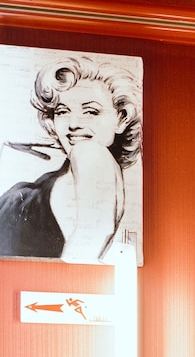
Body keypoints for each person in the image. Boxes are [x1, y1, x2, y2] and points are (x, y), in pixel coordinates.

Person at [0, 55, 142, 262]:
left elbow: (87, 245)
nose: (74, 123)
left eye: (91, 111)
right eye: (63, 111)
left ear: (121, 118)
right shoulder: (68, 172)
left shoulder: (92, 153)